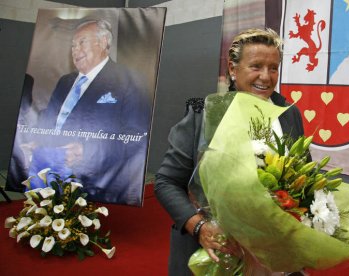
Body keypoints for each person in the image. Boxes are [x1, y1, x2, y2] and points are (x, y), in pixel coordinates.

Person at [155, 28, 306, 275]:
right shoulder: (204, 114)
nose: (266, 77)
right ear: (233, 69)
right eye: (256, 66)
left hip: (274, 254)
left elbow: (302, 180)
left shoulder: (288, 112)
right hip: (216, 251)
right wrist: (200, 226)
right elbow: (166, 182)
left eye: (274, 68)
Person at [9, 19, 151, 205]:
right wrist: (37, 140)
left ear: (102, 43)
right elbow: (50, 122)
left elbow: (136, 138)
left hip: (95, 179)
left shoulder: (129, 81)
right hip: (46, 167)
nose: (75, 50)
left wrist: (87, 150)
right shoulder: (65, 82)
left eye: (81, 42)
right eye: (72, 45)